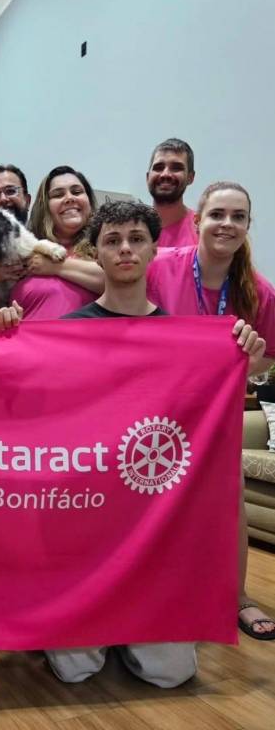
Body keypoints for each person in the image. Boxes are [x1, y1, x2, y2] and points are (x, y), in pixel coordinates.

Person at [0, 200, 266, 687]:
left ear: (155, 249)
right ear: (96, 252)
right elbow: (21, 404)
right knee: (76, 670)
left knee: (171, 674)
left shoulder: (188, 341)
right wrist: (2, 334)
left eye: (137, 239)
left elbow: (214, 401)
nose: (125, 250)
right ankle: (83, 619)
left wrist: (247, 356)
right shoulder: (63, 334)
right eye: (112, 241)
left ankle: (132, 624)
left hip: (149, 527)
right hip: (85, 518)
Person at [147, 181, 275, 640]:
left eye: (238, 216)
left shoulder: (258, 291)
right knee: (152, 501)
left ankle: (238, 598)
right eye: (218, 214)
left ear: (247, 225)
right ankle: (154, 590)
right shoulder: (160, 266)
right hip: (157, 410)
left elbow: (267, 357)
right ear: (197, 221)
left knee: (227, 500)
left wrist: (247, 359)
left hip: (216, 415)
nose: (227, 224)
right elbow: (111, 284)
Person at [10, 166, 102, 320]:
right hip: (26, 335)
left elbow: (119, 283)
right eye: (58, 194)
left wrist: (54, 266)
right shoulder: (25, 250)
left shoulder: (104, 245)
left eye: (77, 192)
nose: (69, 198)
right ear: (45, 206)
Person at [147, 138, 197, 248]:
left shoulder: (203, 230)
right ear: (147, 177)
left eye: (176, 168)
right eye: (158, 168)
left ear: (190, 177)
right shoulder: (128, 231)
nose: (165, 174)